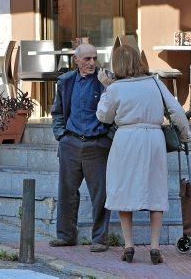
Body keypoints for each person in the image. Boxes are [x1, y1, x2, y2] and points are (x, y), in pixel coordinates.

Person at [96, 45, 191, 265]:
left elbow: (103, 116)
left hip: (127, 138)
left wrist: (106, 88)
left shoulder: (115, 88)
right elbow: (176, 110)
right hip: (153, 138)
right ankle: (155, 246)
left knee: (123, 189)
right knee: (155, 190)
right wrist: (185, 136)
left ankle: (129, 244)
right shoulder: (155, 82)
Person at [49, 43, 113, 253]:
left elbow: (116, 110)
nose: (92, 63)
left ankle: (100, 239)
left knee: (100, 194)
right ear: (76, 60)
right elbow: (58, 112)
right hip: (71, 142)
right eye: (87, 59)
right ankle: (66, 236)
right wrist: (61, 135)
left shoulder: (105, 80)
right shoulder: (65, 82)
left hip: (97, 143)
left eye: (95, 58)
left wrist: (108, 138)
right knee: (66, 191)